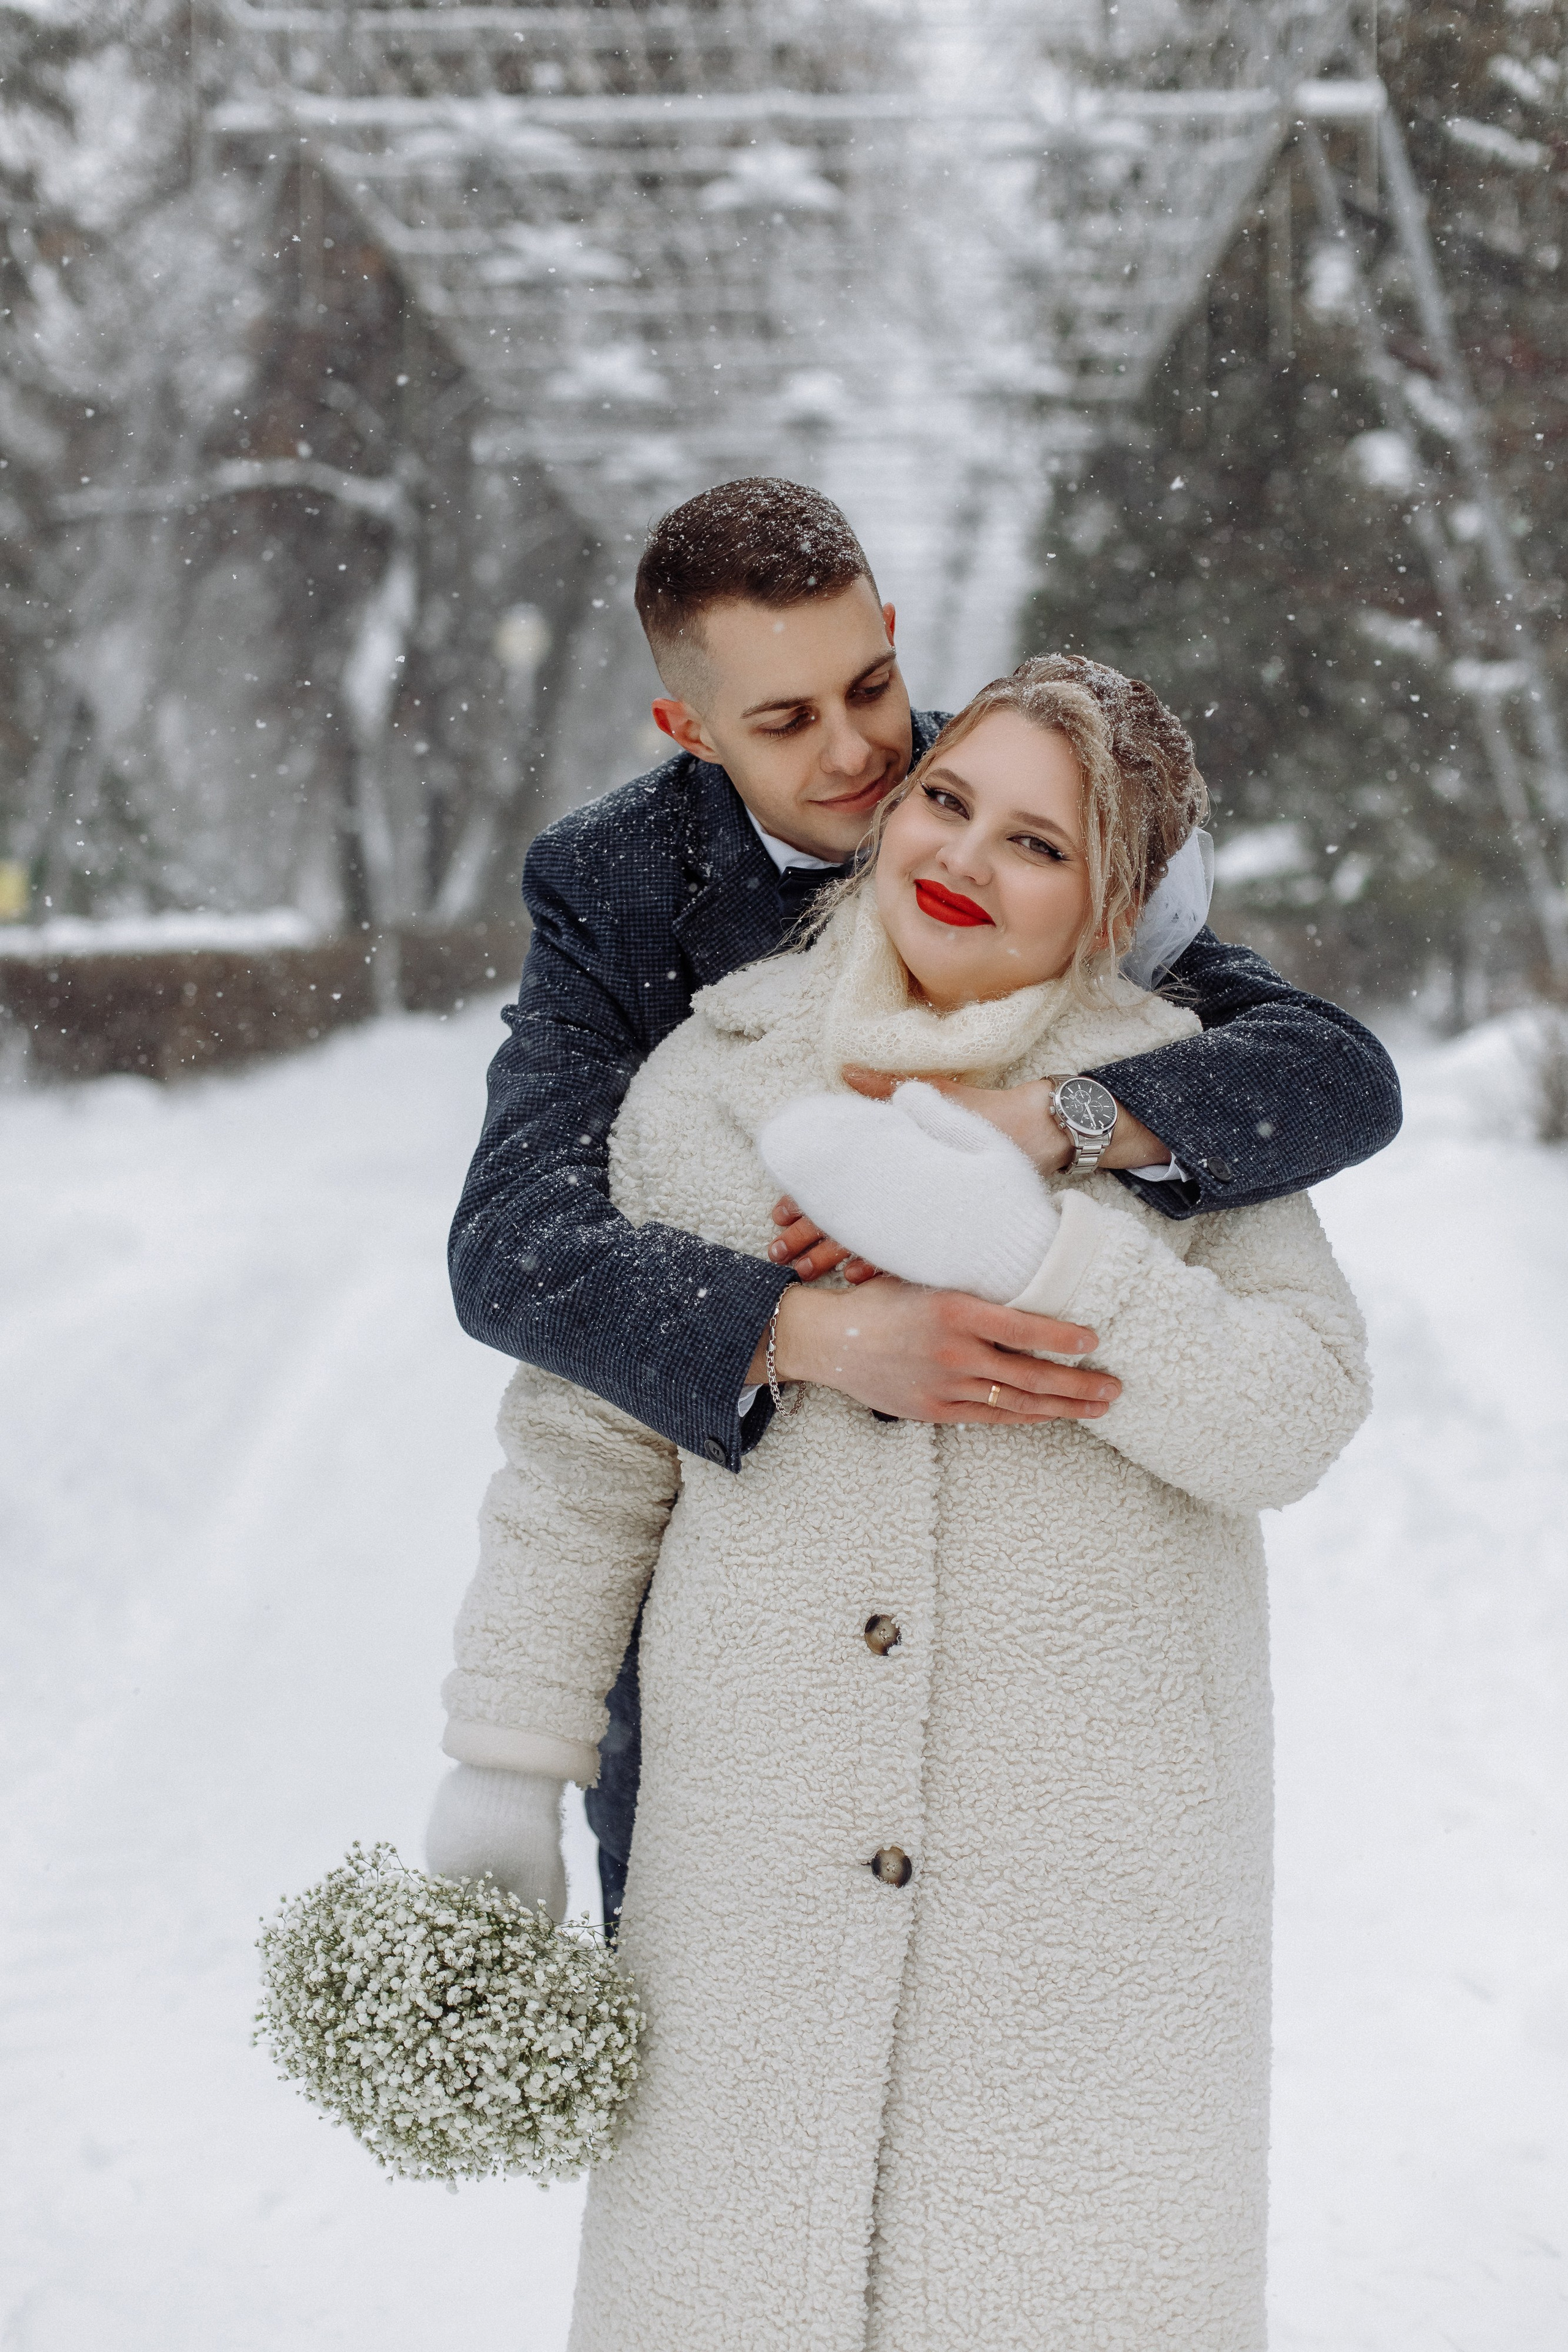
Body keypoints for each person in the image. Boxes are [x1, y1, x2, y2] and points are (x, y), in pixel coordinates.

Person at [429, 656, 1371, 2348]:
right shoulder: (709, 1089)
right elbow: (582, 1461)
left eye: (1041, 843)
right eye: (948, 802)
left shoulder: (1181, 1106)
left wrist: (1040, 1244)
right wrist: (507, 1758)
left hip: (1091, 1892)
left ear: (1123, 897)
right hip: (755, 1859)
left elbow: (1294, 1416)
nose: (964, 859)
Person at [443, 478, 1400, 1925]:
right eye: (782, 723)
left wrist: (1037, 1125)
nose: (860, 757)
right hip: (744, 1624)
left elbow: (1329, 1075)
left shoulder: (1018, 792)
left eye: (871, 685)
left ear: (892, 634)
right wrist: (813, 1335)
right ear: (687, 730)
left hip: (1050, 1691)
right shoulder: (619, 887)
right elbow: (519, 1250)